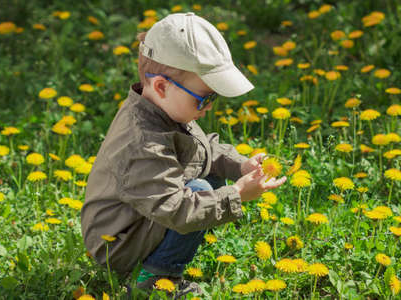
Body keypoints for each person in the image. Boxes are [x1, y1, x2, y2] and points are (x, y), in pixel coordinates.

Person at [81, 12, 286, 298]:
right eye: (205, 98)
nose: (209, 107)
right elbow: (177, 209)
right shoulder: (143, 142)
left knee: (210, 178)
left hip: (141, 218)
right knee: (201, 190)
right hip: (117, 242)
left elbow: (203, 150)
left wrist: (240, 166)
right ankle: (154, 278)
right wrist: (236, 194)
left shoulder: (167, 109)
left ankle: (168, 252)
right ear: (162, 87)